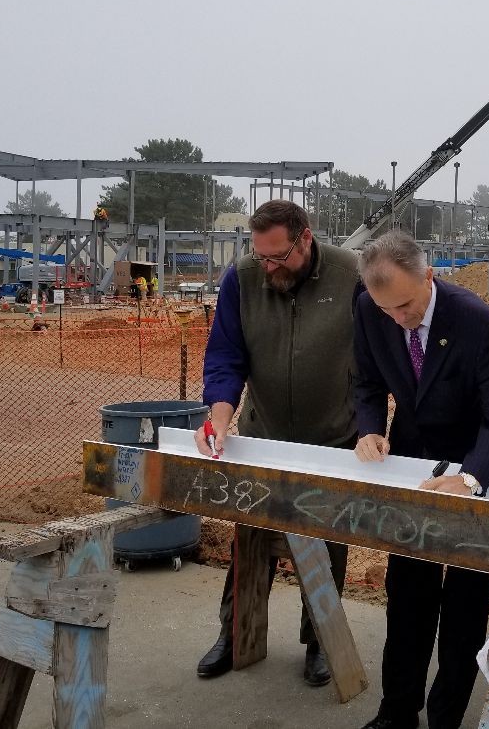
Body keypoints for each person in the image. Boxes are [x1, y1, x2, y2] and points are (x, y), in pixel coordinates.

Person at [352, 230, 489, 729]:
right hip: (410, 464)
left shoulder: (476, 321)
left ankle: (446, 715)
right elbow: (366, 380)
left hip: (474, 467)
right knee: (407, 593)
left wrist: (471, 479)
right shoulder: (369, 308)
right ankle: (397, 710)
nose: (398, 318)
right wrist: (368, 429)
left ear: (429, 275)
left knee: (466, 603)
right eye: (388, 310)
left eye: (406, 306)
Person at [192, 200, 362, 687]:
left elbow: (372, 359)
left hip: (332, 440)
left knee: (327, 545)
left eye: (278, 257)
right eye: (259, 256)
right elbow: (225, 354)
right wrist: (220, 415)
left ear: (305, 239)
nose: (268, 267)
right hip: (264, 437)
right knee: (250, 539)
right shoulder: (242, 279)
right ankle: (234, 630)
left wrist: (369, 425)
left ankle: (320, 641)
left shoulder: (350, 276)